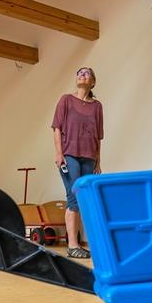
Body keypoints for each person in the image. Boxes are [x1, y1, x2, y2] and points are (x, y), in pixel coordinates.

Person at [51, 66, 103, 258]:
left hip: (89, 157)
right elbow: (56, 128)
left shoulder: (97, 106)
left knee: (84, 199)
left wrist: (98, 161)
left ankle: (78, 244)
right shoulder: (66, 100)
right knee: (73, 197)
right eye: (79, 72)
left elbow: (98, 137)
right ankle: (72, 245)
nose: (82, 74)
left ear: (92, 82)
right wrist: (59, 153)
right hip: (69, 155)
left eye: (87, 73)